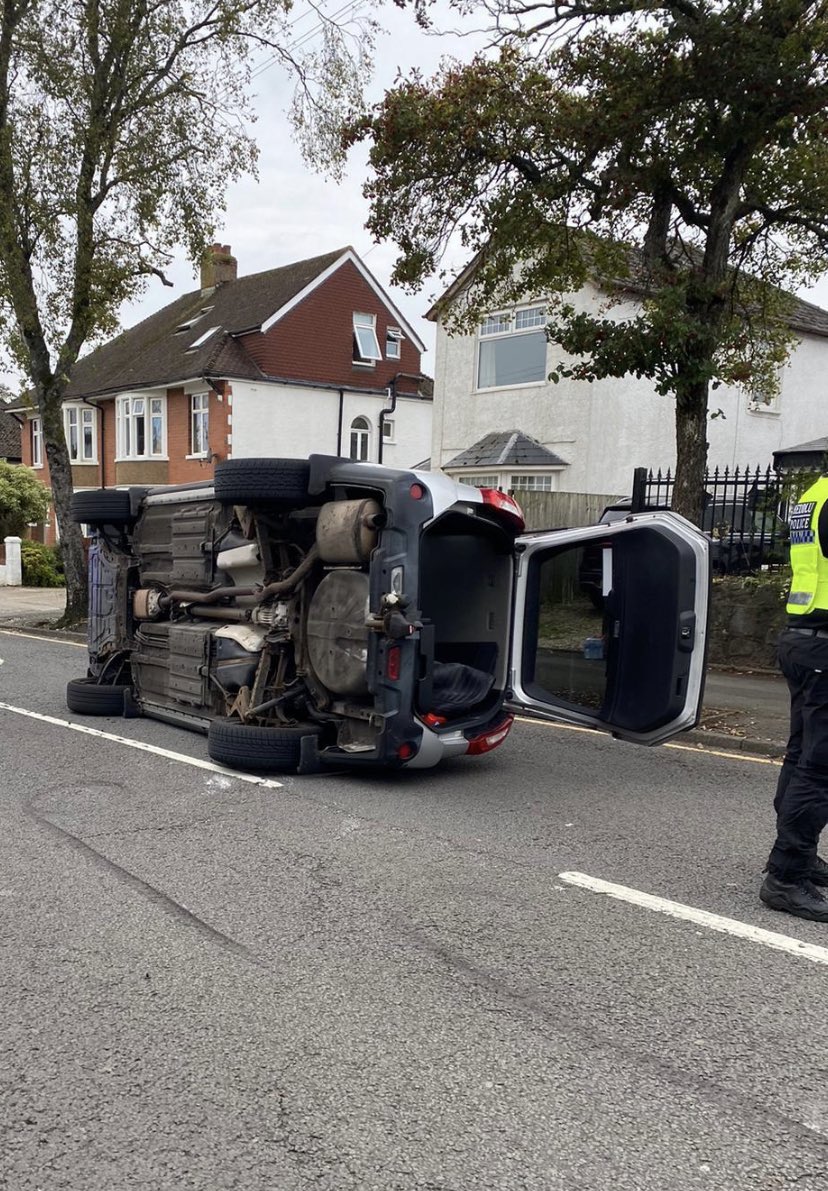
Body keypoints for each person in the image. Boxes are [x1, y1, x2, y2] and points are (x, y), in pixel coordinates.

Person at [761, 475, 828, 921]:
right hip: (822, 643)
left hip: (803, 636)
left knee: (802, 754)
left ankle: (796, 859)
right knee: (820, 766)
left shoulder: (814, 493)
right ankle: (785, 876)